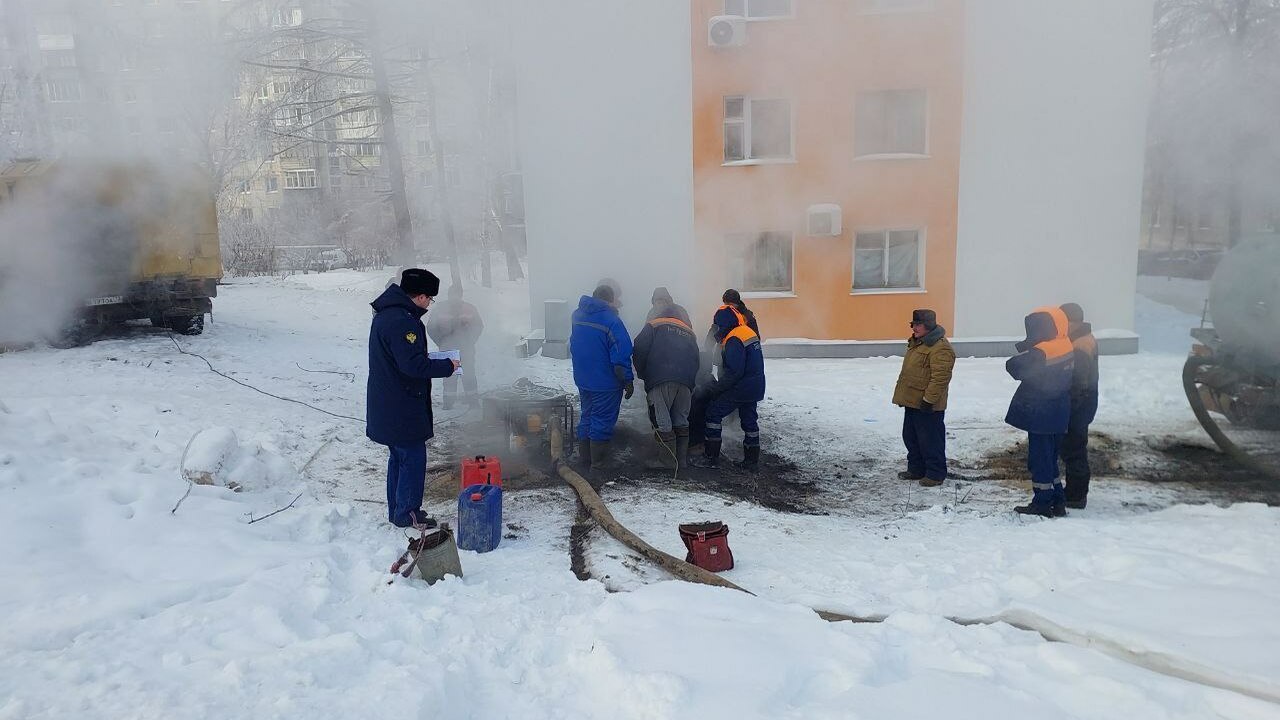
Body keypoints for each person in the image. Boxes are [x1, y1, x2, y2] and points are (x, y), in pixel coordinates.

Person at [366, 268, 459, 528]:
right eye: (430, 299)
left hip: (389, 400)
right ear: (420, 296)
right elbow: (412, 366)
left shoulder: (388, 314)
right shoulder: (402, 322)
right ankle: (408, 513)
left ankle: (397, 510)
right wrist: (448, 366)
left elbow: (403, 358)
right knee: (413, 458)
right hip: (401, 403)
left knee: (399, 458)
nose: (429, 304)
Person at [1005, 306, 1075, 517]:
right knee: (1051, 459)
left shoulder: (1042, 351)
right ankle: (1058, 501)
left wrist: (1029, 347)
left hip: (1041, 414)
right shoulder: (1065, 343)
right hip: (1058, 412)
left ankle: (1042, 503)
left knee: (1040, 461)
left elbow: (1014, 367)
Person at [690, 306, 766, 469]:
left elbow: (734, 372)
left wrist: (716, 389)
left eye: (717, 325)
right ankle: (751, 461)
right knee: (750, 421)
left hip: (741, 387)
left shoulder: (733, 339)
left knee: (713, 413)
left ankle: (711, 457)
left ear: (723, 323)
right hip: (756, 385)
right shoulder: (747, 332)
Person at [633, 292, 700, 469]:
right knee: (681, 419)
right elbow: (696, 357)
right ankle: (681, 460)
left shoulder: (654, 324)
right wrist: (691, 380)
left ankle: (667, 461)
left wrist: (643, 373)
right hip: (685, 380)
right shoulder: (688, 330)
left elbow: (639, 348)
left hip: (660, 377)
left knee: (662, 420)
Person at [570, 284, 634, 468]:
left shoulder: (577, 315)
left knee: (587, 415)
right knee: (602, 419)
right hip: (605, 382)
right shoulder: (611, 321)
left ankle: (585, 458)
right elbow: (621, 354)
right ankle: (599, 462)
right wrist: (627, 380)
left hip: (583, 378)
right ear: (610, 300)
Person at [891, 309, 956, 487]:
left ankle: (935, 474)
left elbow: (940, 378)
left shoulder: (940, 347)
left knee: (930, 440)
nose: (914, 328)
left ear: (929, 325)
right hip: (913, 402)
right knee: (911, 437)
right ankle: (916, 469)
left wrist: (928, 400)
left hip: (928, 404)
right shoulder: (918, 343)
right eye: (913, 324)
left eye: (918, 324)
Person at [1060, 302, 1099, 509]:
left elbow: (1079, 381)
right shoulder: (1082, 338)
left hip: (1080, 404)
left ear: (1072, 322)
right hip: (1084, 402)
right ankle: (1075, 492)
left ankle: (1076, 496)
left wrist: (1070, 406)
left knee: (1074, 449)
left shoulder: (1081, 345)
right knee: (1075, 447)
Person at [426, 284, 484, 410]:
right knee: (449, 373)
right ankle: (448, 402)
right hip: (448, 347)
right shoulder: (440, 309)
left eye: (457, 294)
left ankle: (472, 401)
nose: (455, 297)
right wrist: (441, 341)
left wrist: (470, 340)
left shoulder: (469, 308)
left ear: (461, 295)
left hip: (465, 348)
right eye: (453, 294)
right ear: (449, 295)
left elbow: (478, 326)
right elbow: (431, 327)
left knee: (468, 374)